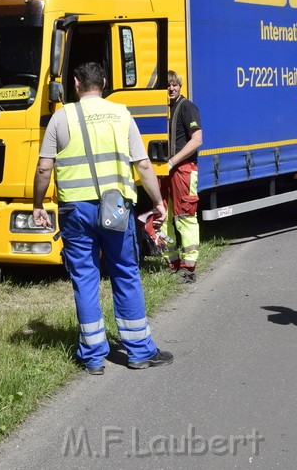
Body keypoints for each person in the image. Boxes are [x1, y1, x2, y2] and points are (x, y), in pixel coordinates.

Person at [33, 62, 173, 374]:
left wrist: (38, 203)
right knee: (125, 273)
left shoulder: (61, 116)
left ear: (76, 84)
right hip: (115, 210)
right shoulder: (121, 114)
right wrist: (158, 202)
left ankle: (93, 357)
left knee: (85, 278)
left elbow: (44, 168)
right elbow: (144, 165)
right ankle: (139, 352)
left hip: (76, 212)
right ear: (105, 83)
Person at [160, 70, 203, 283]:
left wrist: (172, 161)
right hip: (165, 170)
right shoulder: (162, 109)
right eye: (168, 85)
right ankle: (172, 263)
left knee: (185, 217)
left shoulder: (187, 107)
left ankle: (189, 268)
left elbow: (196, 140)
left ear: (180, 86)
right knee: (165, 218)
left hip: (183, 169)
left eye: (174, 85)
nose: (171, 88)